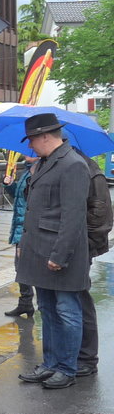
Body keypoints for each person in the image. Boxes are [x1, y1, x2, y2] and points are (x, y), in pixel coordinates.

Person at [15, 113, 91, 389]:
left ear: (45, 136)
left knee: (67, 312)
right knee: (47, 309)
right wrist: (25, 245)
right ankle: (50, 364)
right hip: (39, 251)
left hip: (60, 254)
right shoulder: (46, 163)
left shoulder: (72, 164)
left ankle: (67, 369)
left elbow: (73, 217)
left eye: (32, 140)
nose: (30, 146)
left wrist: (59, 256)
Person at [75, 146, 113, 376]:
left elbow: (101, 218)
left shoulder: (90, 170)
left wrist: (84, 245)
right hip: (64, 246)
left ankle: (88, 357)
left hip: (81, 247)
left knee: (81, 299)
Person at [3, 156, 38, 317]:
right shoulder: (27, 170)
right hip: (21, 226)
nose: (25, 154)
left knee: (27, 268)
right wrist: (10, 185)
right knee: (21, 268)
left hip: (28, 228)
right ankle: (25, 303)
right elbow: (20, 196)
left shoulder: (38, 171)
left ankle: (39, 305)